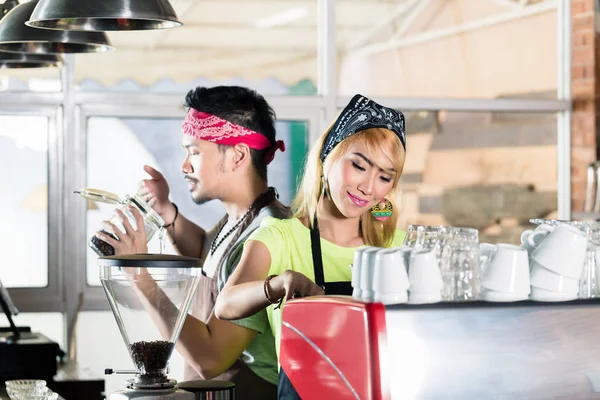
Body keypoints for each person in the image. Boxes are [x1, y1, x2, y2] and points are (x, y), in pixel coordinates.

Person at [96, 85, 290, 399]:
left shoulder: (267, 234)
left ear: (238, 155)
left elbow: (211, 358)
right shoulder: (240, 220)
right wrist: (166, 211)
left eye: (195, 152)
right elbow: (209, 255)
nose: (184, 166)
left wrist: (139, 275)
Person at [213, 94, 408, 399]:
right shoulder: (281, 237)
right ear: (327, 157)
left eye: (384, 176)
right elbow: (226, 304)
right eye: (359, 166)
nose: (368, 187)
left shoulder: (399, 248)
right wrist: (280, 283)